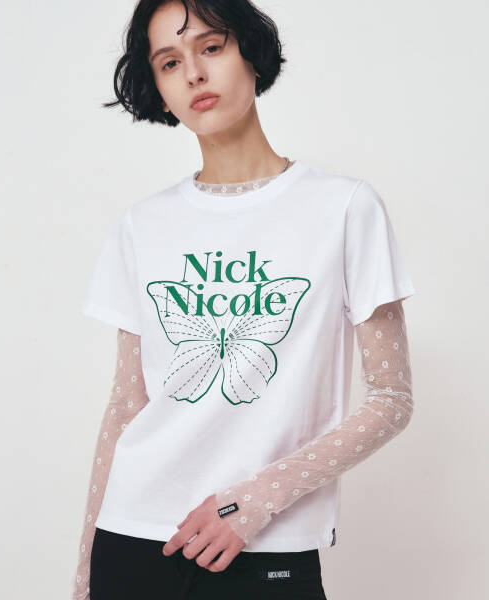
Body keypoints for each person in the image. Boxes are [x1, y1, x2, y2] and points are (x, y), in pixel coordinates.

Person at [71, 1, 416, 599]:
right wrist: (84, 576)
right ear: (160, 91)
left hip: (265, 543)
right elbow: (127, 405)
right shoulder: (141, 226)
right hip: (132, 538)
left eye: (211, 47)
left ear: (251, 55)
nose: (194, 74)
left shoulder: (343, 207)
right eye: (169, 62)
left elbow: (392, 398)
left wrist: (253, 501)